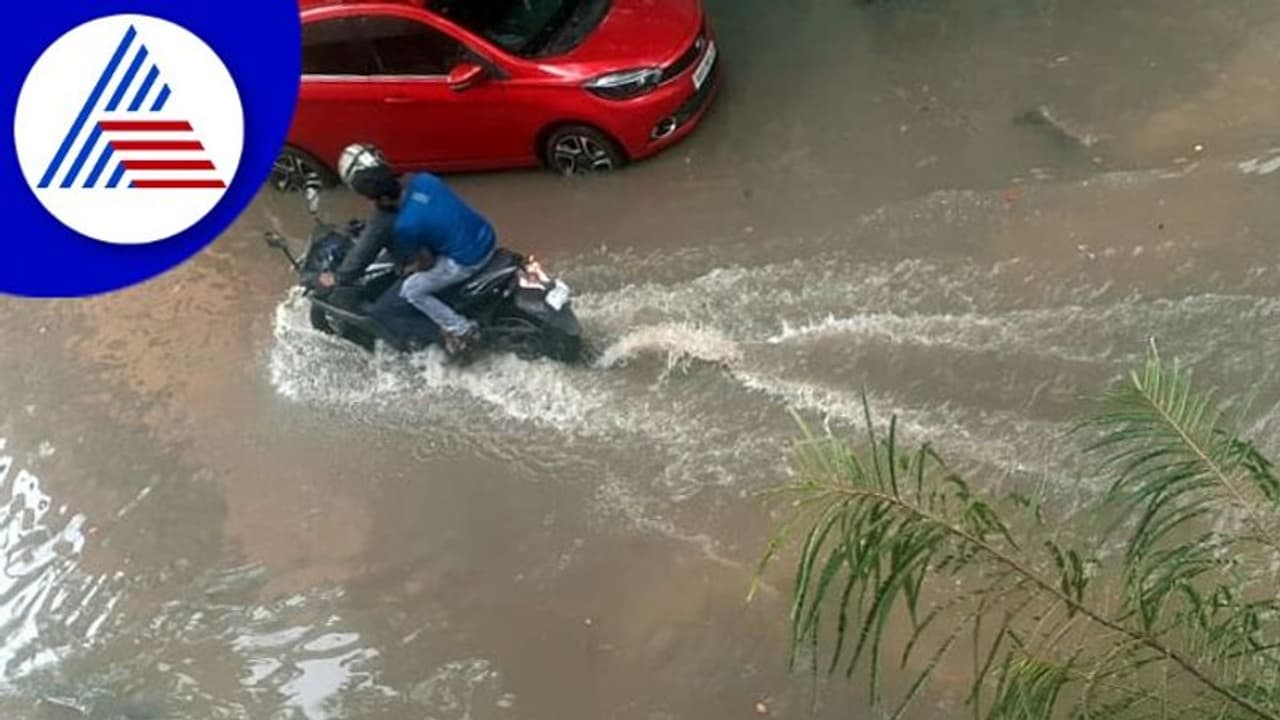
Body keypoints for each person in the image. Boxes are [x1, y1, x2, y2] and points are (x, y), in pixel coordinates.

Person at [316, 143, 496, 357]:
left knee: (410, 290)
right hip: (487, 238)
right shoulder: (425, 180)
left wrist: (410, 268)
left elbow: (426, 262)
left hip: (466, 261)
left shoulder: (405, 226)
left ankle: (459, 331)